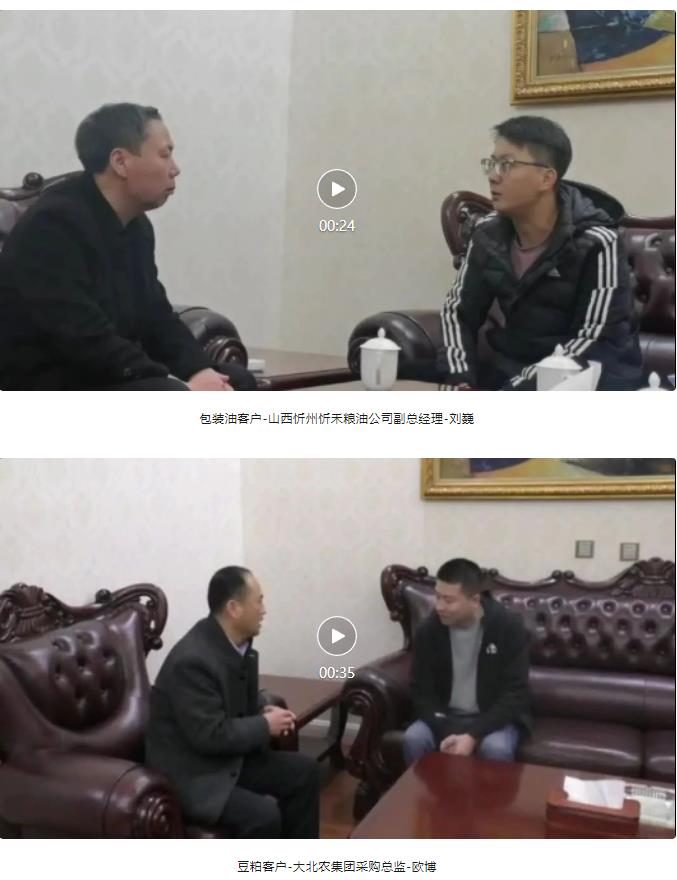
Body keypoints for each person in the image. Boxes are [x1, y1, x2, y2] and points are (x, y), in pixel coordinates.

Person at [0, 103, 256, 391]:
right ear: (120, 161)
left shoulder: (136, 225)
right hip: (52, 381)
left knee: (236, 380)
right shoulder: (53, 224)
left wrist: (200, 371)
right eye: (165, 155)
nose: (175, 169)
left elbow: (155, 315)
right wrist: (175, 382)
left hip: (106, 373)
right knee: (170, 394)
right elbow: (80, 334)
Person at [438, 115, 642, 391]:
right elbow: (458, 312)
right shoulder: (488, 233)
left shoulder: (597, 242)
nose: (493, 175)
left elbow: (593, 341)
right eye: (491, 164)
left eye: (506, 165)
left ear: (546, 178)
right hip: (511, 373)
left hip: (588, 384)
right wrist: (459, 378)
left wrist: (512, 392)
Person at [145, 566, 320, 837]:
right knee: (263, 815)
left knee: (305, 772)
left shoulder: (235, 644)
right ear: (234, 609)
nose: (264, 610)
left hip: (226, 760)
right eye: (258, 601)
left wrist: (261, 709)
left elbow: (227, 700)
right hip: (194, 772)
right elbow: (210, 735)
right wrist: (264, 725)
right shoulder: (192, 660)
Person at [403, 558, 531, 767]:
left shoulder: (508, 627)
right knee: (414, 738)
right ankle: (423, 791)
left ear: (474, 600)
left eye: (449, 600)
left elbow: (516, 693)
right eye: (438, 597)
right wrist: (446, 728)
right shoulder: (429, 630)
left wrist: (473, 735)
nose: (440, 607)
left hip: (493, 718)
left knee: (495, 749)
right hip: (445, 716)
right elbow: (421, 690)